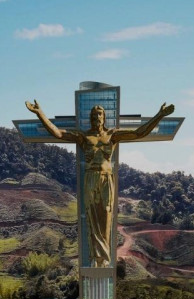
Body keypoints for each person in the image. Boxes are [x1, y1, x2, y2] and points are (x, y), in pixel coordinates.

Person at [24, 100, 175, 267]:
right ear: (90, 118)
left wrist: (159, 115)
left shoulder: (113, 135)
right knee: (93, 217)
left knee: (106, 215)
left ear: (104, 118)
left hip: (106, 178)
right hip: (91, 178)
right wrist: (40, 113)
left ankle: (104, 257)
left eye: (100, 114)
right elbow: (58, 133)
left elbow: (139, 133)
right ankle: (97, 259)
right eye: (94, 115)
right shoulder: (83, 137)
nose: (97, 117)